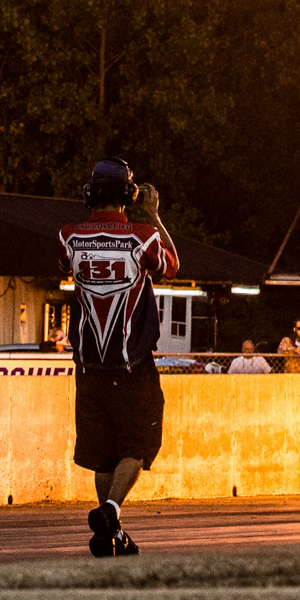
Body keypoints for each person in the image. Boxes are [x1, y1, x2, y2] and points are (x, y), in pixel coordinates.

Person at [58, 157, 178, 558]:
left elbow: (66, 265)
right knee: (138, 444)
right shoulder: (143, 236)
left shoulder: (68, 236)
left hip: (88, 368)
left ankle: (114, 533)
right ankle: (110, 509)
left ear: (90, 192)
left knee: (102, 451)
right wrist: (154, 216)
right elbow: (171, 267)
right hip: (132, 368)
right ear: (129, 195)